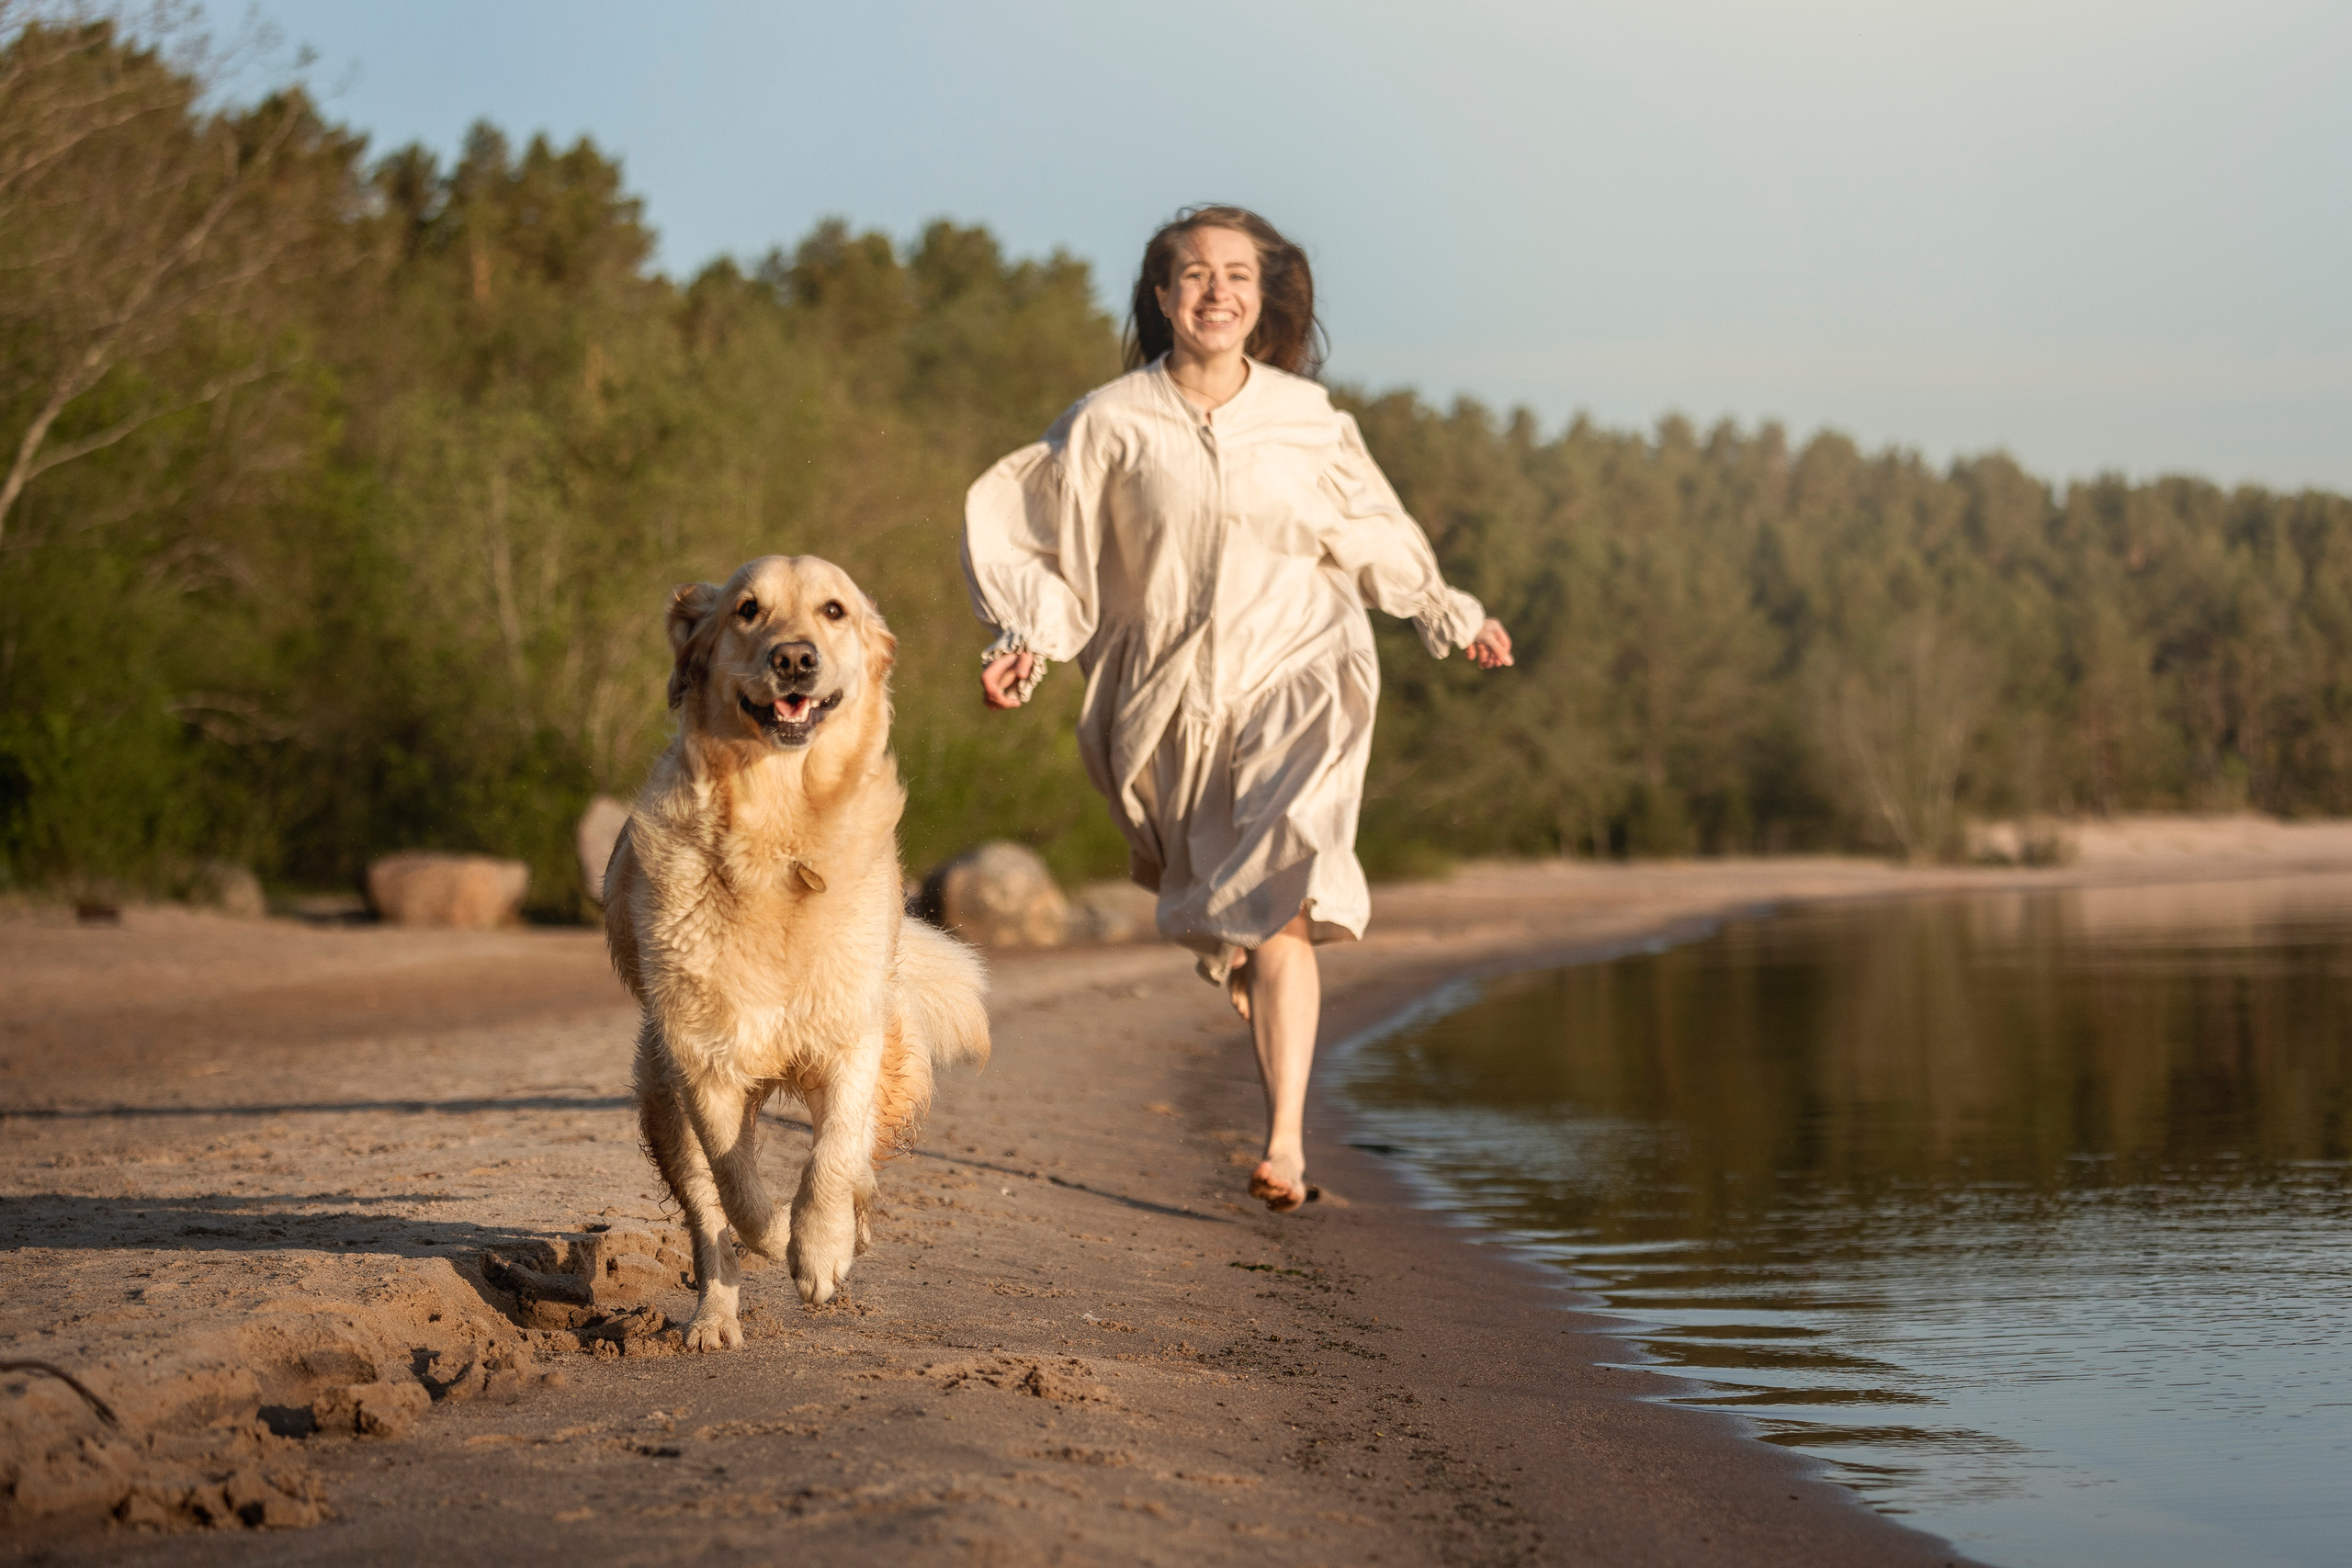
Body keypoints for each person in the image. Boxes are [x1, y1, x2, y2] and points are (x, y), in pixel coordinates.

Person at [960, 206, 1512, 1213]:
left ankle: (1285, 1147)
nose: (1216, 290)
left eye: (1238, 275)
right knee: (1243, 920)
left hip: (1301, 668)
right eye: (1195, 274)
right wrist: (1027, 642)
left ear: (1262, 301)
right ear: (1162, 295)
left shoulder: (1308, 418)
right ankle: (1265, 1018)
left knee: (1284, 896)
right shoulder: (1109, 421)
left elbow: (1370, 528)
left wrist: (1447, 610)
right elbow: (1050, 545)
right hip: (1170, 699)